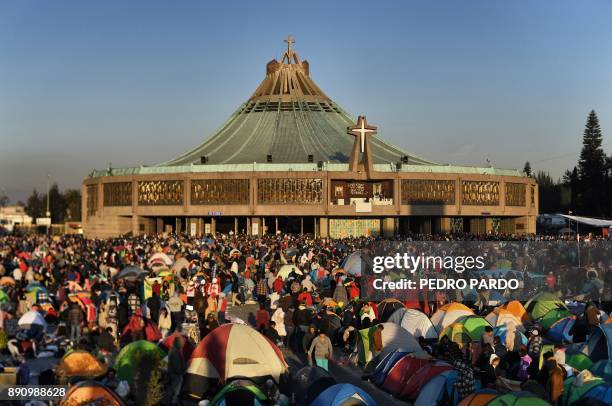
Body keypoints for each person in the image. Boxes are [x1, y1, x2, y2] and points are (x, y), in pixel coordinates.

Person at [167, 338, 185, 404]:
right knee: (175, 390)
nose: (183, 344)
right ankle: (173, 402)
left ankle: (173, 402)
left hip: (174, 373)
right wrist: (181, 372)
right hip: (176, 374)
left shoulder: (175, 350)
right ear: (178, 343)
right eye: (182, 342)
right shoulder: (175, 351)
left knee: (173, 389)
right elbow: (177, 365)